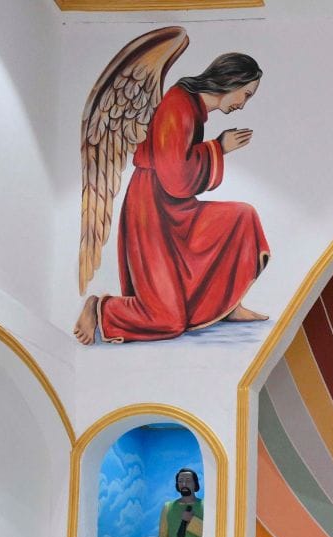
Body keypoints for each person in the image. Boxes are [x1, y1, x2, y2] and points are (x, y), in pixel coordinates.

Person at [74, 52, 270, 344]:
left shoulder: (191, 107)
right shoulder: (178, 105)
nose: (243, 103)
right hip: (152, 213)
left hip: (175, 209)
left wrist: (216, 148)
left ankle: (229, 306)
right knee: (167, 320)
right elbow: (176, 177)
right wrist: (219, 147)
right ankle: (102, 308)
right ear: (231, 81)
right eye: (246, 94)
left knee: (242, 216)